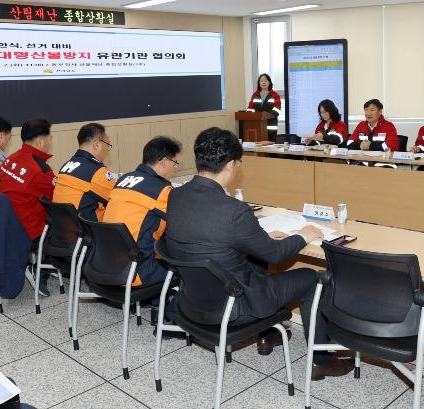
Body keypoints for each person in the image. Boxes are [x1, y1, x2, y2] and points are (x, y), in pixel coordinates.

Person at [166, 127, 355, 380]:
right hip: (234, 306)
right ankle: (320, 361)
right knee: (313, 278)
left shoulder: (176, 196)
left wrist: (260, 237)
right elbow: (275, 255)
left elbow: (208, 237)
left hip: (193, 301)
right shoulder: (234, 210)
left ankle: (269, 334)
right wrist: (303, 236)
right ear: (231, 165)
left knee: (254, 260)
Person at [102, 136, 181, 288]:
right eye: (174, 163)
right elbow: (183, 222)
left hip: (103, 263)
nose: (175, 167)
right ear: (164, 161)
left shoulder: (123, 180)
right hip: (135, 271)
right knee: (186, 267)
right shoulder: (161, 190)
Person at [0, 118, 55, 242]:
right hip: (29, 231)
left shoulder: (9, 160)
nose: (50, 142)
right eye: (50, 138)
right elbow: (57, 200)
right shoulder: (41, 171)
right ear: (40, 141)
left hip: (4, 223)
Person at [52, 123, 115, 221]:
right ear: (97, 144)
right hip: (86, 228)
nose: (107, 150)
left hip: (62, 226)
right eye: (108, 145)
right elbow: (118, 199)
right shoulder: (97, 172)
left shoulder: (66, 166)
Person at [246, 73, 281, 141]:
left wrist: (265, 115)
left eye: (265, 80)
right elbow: (250, 108)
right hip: (257, 125)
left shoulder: (275, 95)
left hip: (270, 125)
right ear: (259, 83)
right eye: (261, 81)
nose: (263, 82)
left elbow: (277, 109)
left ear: (269, 82)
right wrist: (249, 113)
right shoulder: (255, 95)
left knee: (270, 144)